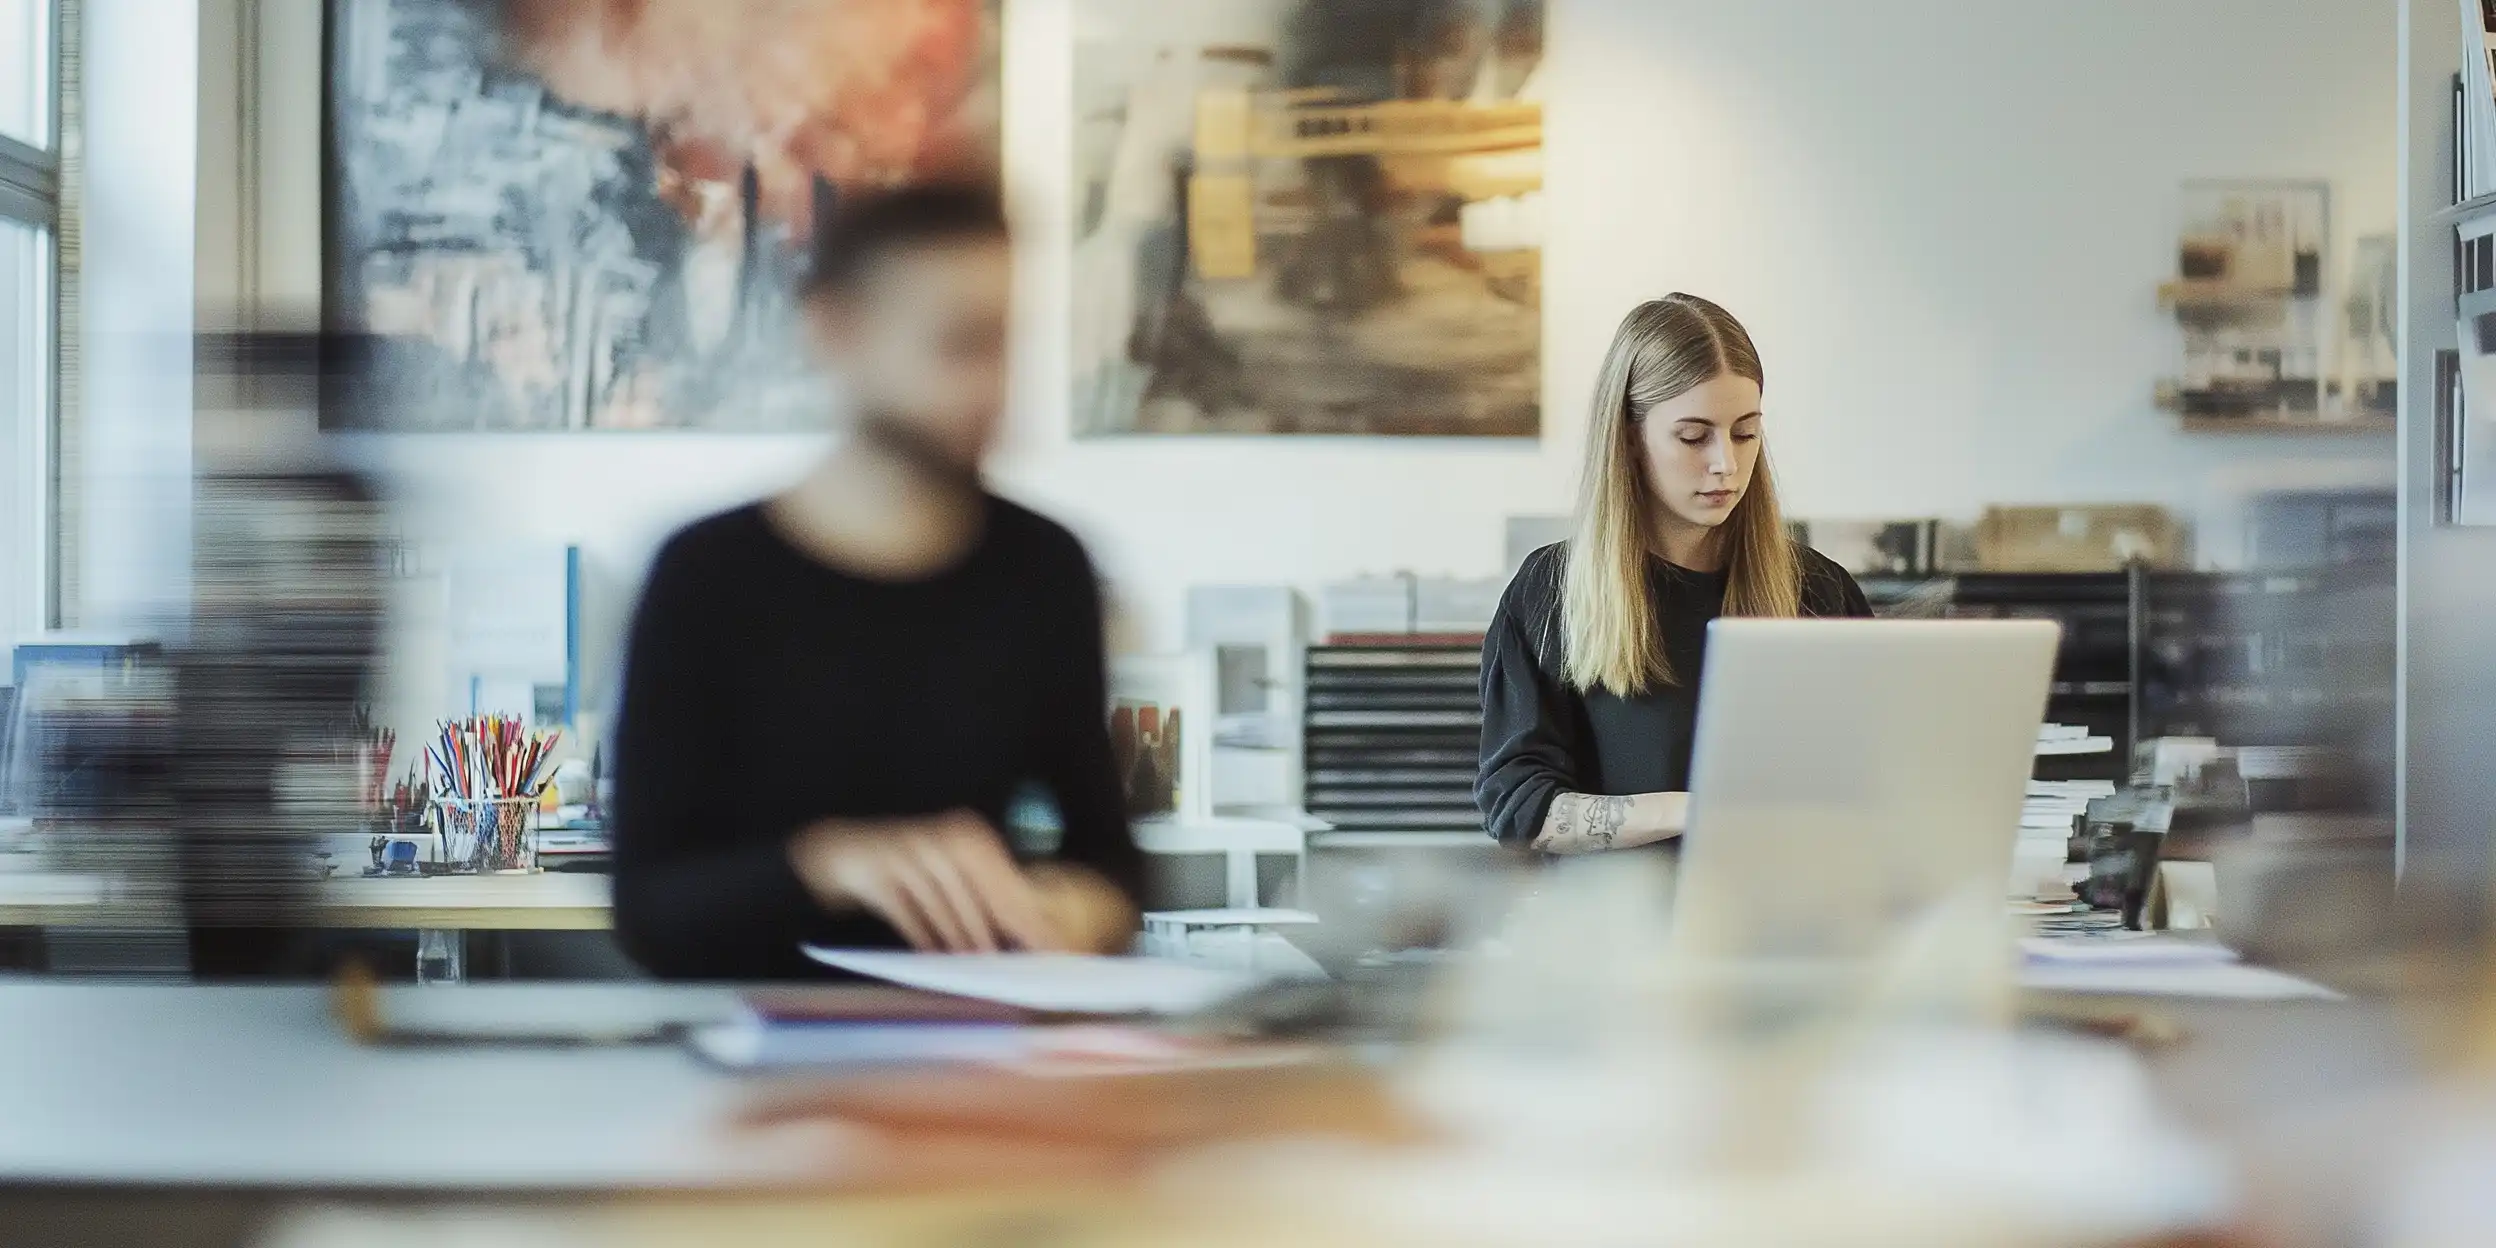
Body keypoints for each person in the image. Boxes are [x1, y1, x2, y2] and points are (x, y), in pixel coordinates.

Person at [612, 184, 1143, 979]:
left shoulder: (1045, 568)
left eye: (1003, 346)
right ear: (836, 331)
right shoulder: (705, 576)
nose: (990, 390)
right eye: (958, 346)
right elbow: (649, 912)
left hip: (979, 1055)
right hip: (752, 1053)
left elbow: (1111, 865)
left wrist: (1071, 911)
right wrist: (826, 864)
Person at [1476, 294, 1871, 855]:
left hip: (1784, 927)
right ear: (1631, 438)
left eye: (1745, 433)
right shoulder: (1551, 592)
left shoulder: (1821, 592)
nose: (1726, 465)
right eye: (1693, 436)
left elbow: (1873, 786)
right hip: (1619, 930)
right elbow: (1520, 810)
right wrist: (1696, 809)